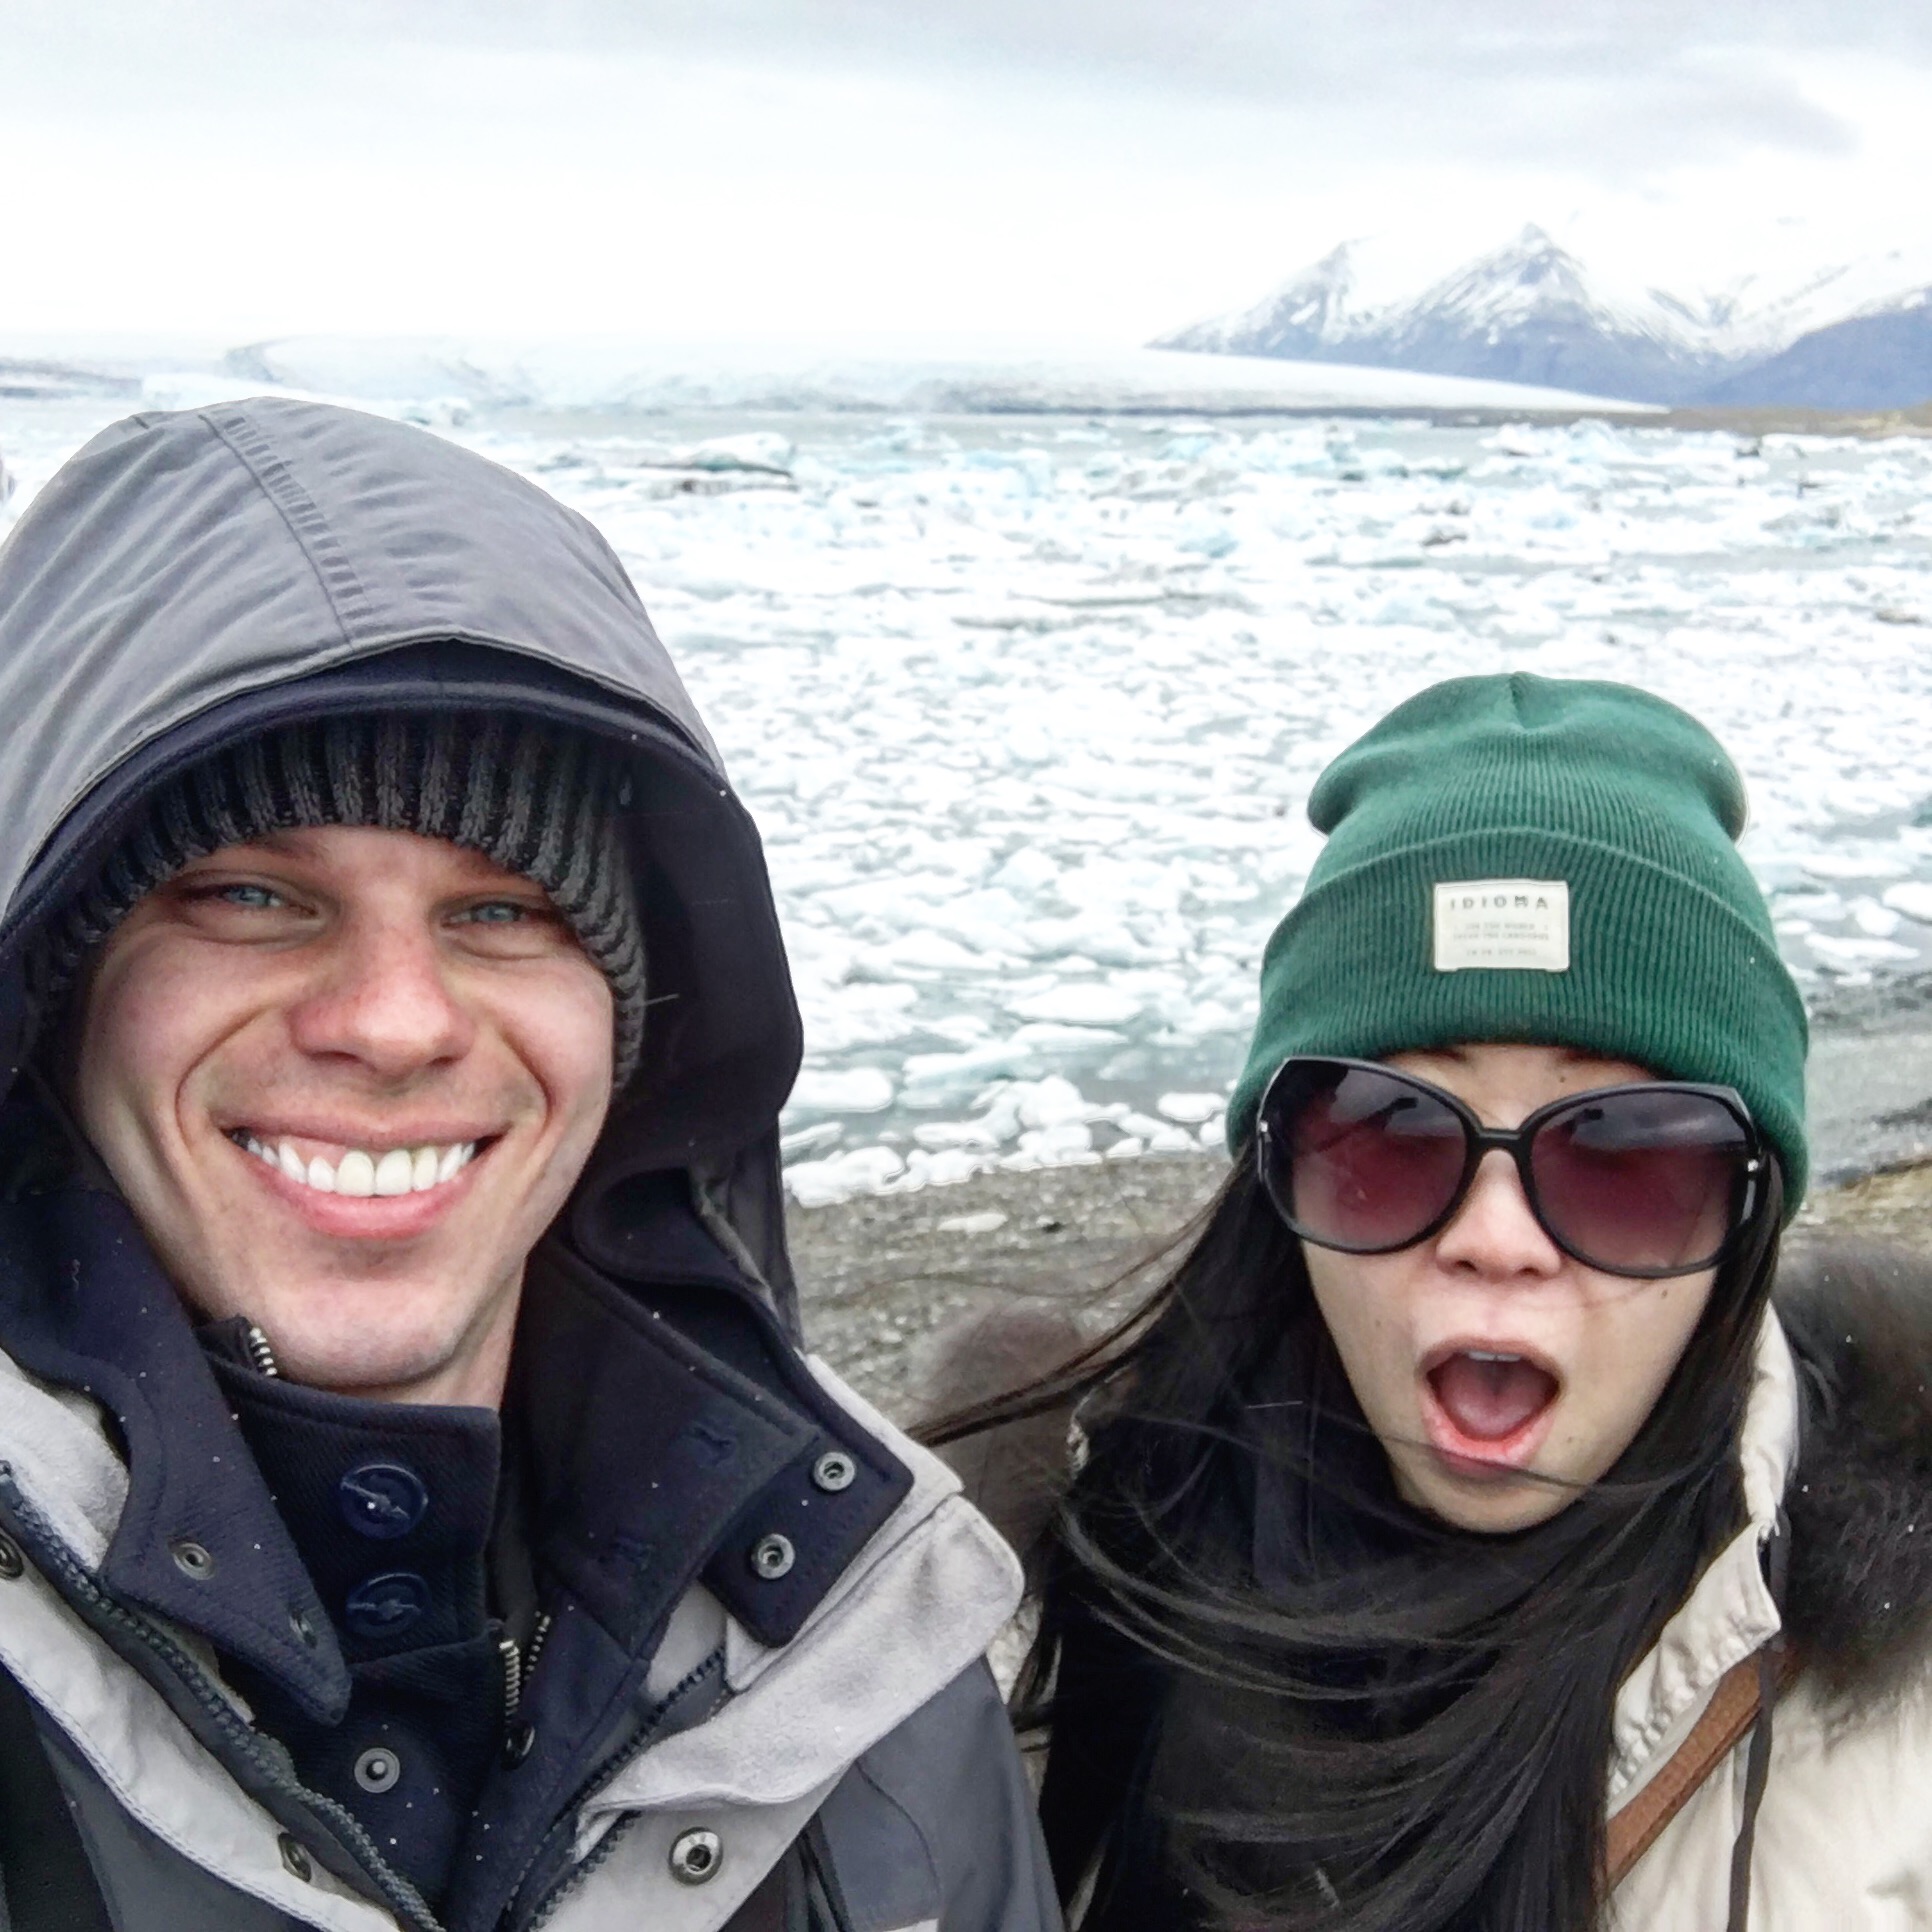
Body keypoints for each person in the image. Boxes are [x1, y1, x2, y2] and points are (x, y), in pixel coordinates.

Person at [0, 398, 1059, 1932]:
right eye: (247, 893)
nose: (392, 1020)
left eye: (504, 913)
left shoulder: (857, 1634)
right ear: (59, 992)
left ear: (629, 1028)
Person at [969, 674, 1932, 1931]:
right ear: (1276, 1171)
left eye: (1628, 1155)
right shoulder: (1009, 1627)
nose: (1495, 1239)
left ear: (1747, 1215)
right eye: (1391, 1132)